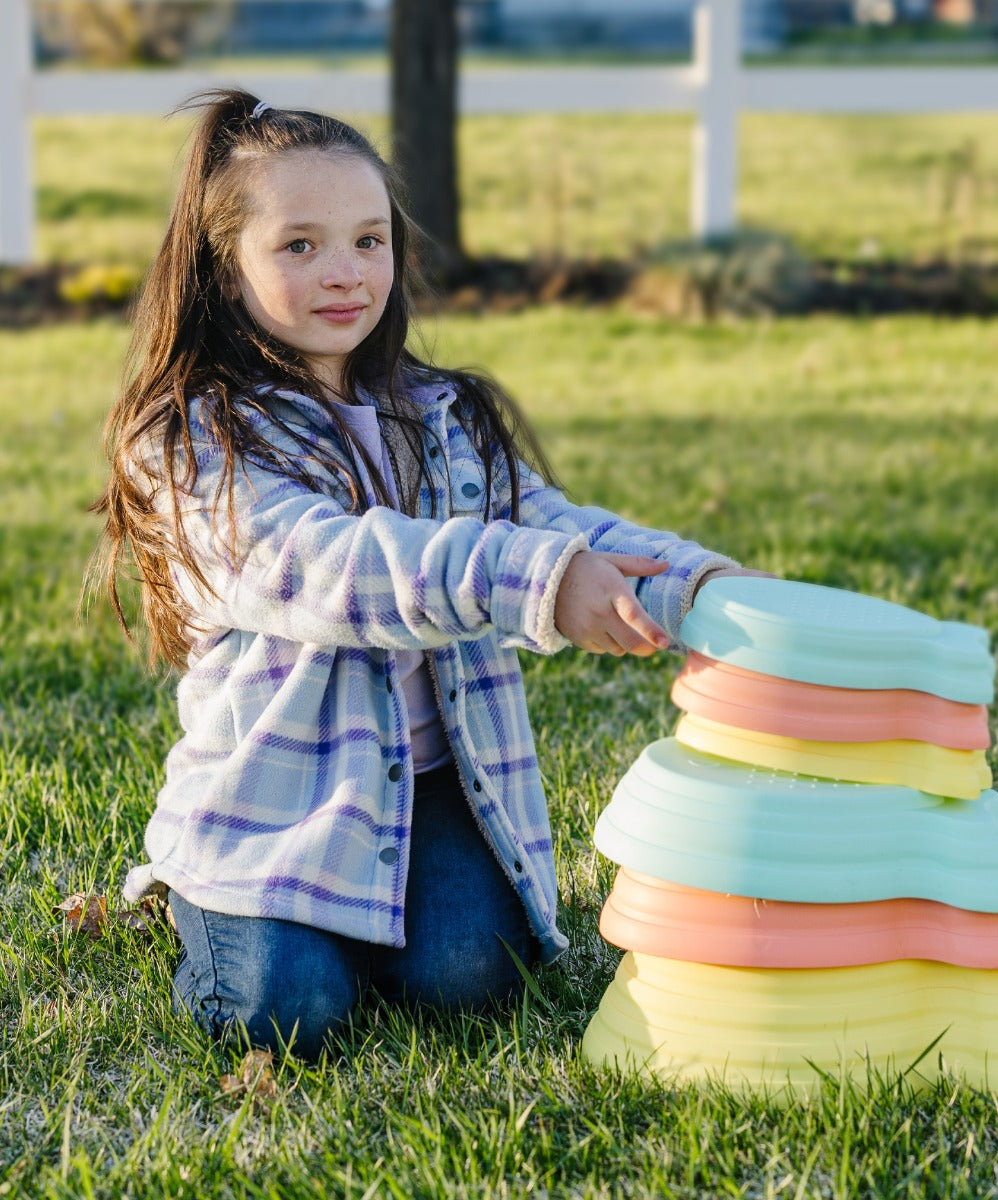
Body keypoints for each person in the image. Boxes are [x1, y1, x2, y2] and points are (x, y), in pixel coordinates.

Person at [91, 89, 760, 1062]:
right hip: (277, 801)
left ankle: (355, 918)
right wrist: (538, 581)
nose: (346, 273)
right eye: (299, 246)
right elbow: (338, 567)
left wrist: (703, 589)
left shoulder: (438, 414)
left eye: (370, 240)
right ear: (224, 270)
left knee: (476, 982)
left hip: (435, 783)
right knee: (285, 1009)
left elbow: (556, 525)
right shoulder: (200, 445)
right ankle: (197, 899)